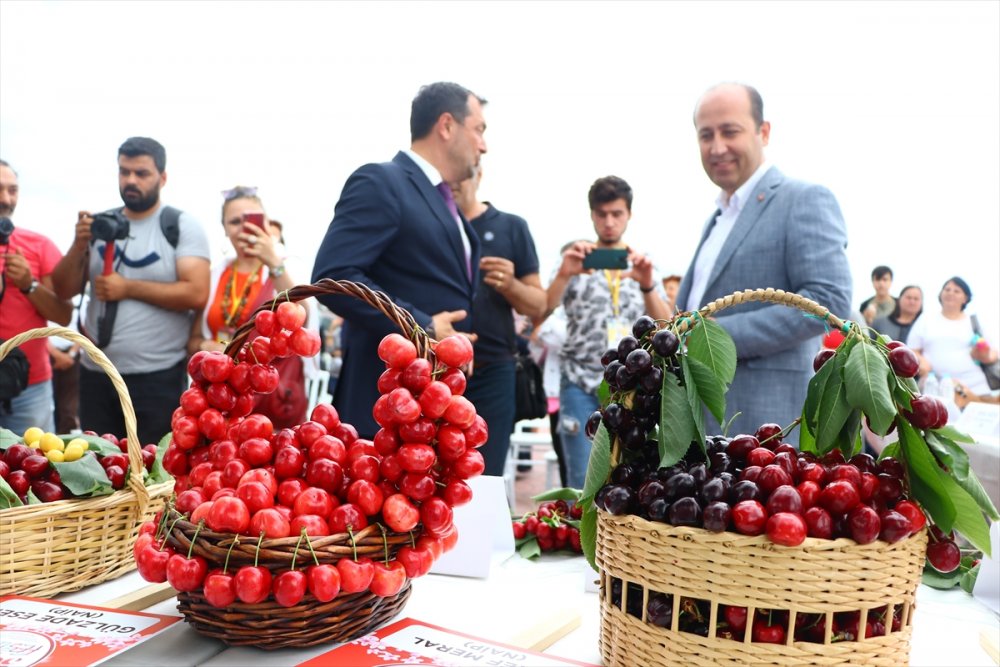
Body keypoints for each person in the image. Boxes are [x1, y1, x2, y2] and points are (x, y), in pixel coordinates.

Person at [676, 83, 852, 442]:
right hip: (706, 430)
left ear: (764, 132)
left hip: (764, 428)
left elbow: (828, 301)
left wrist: (711, 340)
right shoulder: (717, 218)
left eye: (730, 131)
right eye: (705, 135)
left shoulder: (802, 199)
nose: (717, 147)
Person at [311, 82, 486, 438]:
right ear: (447, 125)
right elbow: (333, 276)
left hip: (432, 401)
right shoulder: (382, 181)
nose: (484, 145)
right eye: (479, 130)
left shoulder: (445, 202)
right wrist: (421, 324)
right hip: (388, 404)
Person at [51, 137, 211, 445]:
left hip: (157, 378)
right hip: (97, 374)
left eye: (141, 173)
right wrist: (79, 243)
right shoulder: (102, 225)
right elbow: (63, 289)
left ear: (162, 178)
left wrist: (128, 288)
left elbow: (196, 293)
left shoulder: (180, 225)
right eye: (124, 172)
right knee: (100, 472)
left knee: (153, 474)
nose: (130, 181)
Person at [547, 176, 671, 489]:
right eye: (601, 214)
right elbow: (543, 308)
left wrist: (646, 283)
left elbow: (667, 327)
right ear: (592, 215)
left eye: (616, 213)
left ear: (629, 214)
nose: (609, 222)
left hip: (629, 388)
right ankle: (580, 538)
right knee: (581, 480)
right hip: (579, 382)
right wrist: (564, 273)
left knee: (626, 476)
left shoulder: (643, 264)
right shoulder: (575, 261)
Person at [187, 186, 308, 428]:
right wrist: (205, 346)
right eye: (234, 221)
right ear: (224, 228)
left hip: (270, 394)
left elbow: (302, 314)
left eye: (253, 219)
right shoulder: (215, 275)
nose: (244, 228)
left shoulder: (286, 267)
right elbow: (192, 339)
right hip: (221, 394)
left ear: (266, 222)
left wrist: (273, 261)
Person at [452, 165, 546, 476]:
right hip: (440, 371)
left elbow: (539, 304)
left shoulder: (511, 227)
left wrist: (510, 284)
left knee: (485, 474)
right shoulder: (432, 227)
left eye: (461, 173)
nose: (452, 181)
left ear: (478, 175)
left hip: (493, 371)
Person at [0, 160, 73, 434]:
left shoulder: (38, 245)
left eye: (13, 190)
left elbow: (64, 315)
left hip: (31, 388)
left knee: (34, 468)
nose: (6, 199)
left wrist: (28, 284)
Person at [908, 277, 997, 396]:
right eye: (947, 289)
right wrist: (921, 361)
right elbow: (912, 350)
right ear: (941, 294)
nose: (951, 293)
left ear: (965, 298)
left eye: (957, 291)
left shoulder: (975, 322)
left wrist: (985, 356)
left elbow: (994, 353)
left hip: (975, 390)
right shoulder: (926, 319)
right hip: (935, 389)